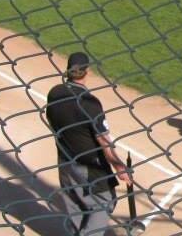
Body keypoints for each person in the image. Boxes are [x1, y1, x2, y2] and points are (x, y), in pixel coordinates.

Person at [46, 52, 132, 235]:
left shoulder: (54, 93)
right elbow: (103, 139)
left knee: (74, 204)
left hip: (64, 159)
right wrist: (119, 166)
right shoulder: (89, 102)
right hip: (90, 165)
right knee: (105, 201)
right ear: (87, 71)